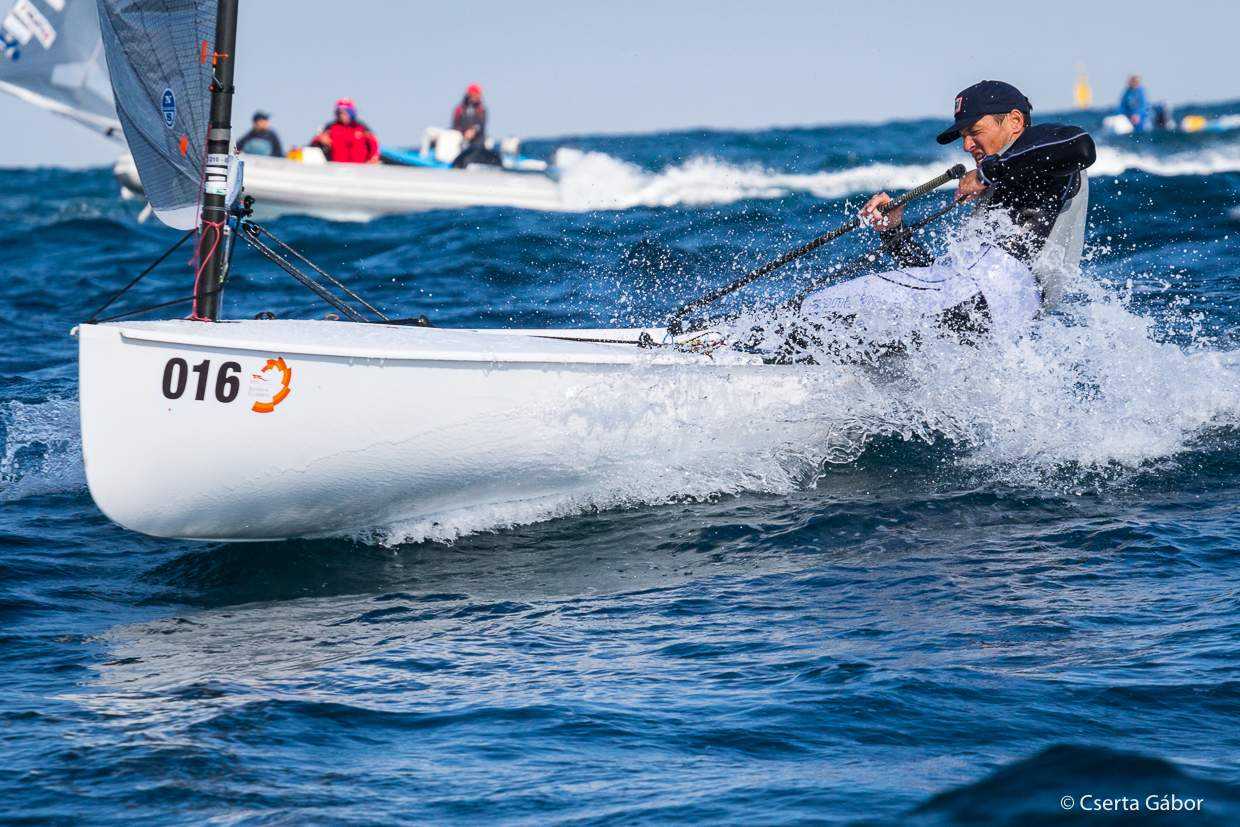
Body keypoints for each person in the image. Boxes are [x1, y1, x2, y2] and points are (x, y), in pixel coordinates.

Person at [795, 80, 1096, 348]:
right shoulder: (1009, 180)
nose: (967, 145)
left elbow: (1081, 147)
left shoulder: (1037, 147)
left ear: (1015, 121)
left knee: (815, 307)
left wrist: (987, 173)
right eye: (964, 136)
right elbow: (941, 281)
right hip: (998, 309)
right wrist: (894, 230)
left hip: (996, 294)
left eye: (975, 132)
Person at [310, 98, 380, 164]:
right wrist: (320, 139)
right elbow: (313, 143)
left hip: (360, 168)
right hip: (335, 167)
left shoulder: (361, 128)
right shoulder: (330, 127)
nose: (342, 115)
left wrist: (373, 157)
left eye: (345, 112)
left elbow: (374, 142)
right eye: (339, 112)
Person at [450, 83, 501, 168]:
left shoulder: (481, 110)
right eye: (472, 95)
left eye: (476, 95)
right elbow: (455, 124)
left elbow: (481, 124)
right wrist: (464, 132)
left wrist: (473, 130)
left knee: (479, 147)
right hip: (462, 138)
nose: (475, 97)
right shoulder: (460, 109)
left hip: (478, 140)